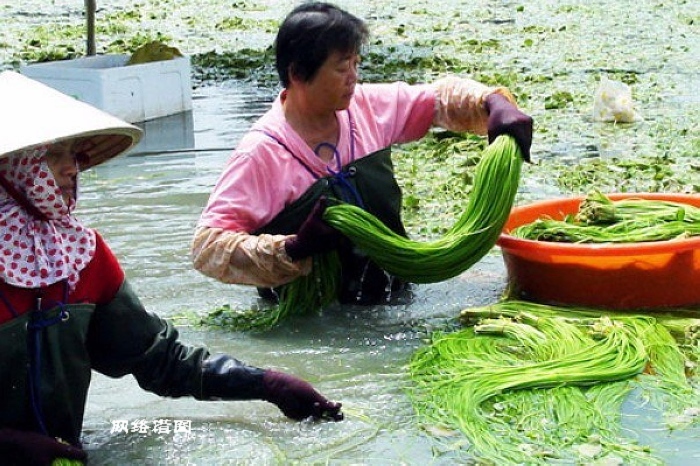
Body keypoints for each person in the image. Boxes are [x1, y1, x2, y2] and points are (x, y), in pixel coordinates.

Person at [0, 71, 342, 466]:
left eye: (73, 154)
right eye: (52, 155)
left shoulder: (81, 256)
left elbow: (160, 358)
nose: (72, 168)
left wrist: (267, 384)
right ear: (12, 166)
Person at [192, 2, 533, 305]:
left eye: (356, 63)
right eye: (342, 68)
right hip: (314, 320)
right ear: (297, 73)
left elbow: (438, 101)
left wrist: (490, 102)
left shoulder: (364, 108)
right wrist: (291, 249)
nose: (353, 78)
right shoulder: (262, 153)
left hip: (393, 296)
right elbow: (208, 248)